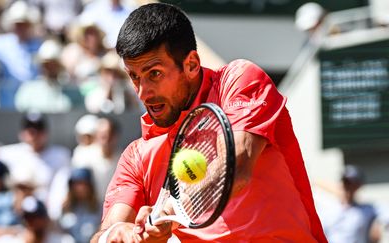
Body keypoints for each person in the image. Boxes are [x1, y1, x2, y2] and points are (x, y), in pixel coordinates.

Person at [90, 3, 327, 242]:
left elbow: (237, 166)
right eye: (134, 77)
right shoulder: (136, 157)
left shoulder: (238, 80)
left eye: (155, 74)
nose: (143, 93)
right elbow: (107, 231)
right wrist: (118, 234)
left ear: (191, 64)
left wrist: (172, 210)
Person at [316, 165, 381, 243]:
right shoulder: (327, 207)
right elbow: (313, 182)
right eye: (346, 182)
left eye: (352, 183)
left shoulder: (367, 210)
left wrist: (376, 223)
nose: (349, 187)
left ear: (358, 186)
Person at [59, 167, 102, 243]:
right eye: (76, 184)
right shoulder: (65, 207)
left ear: (90, 185)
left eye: (82, 183)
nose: (79, 188)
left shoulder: (99, 208)